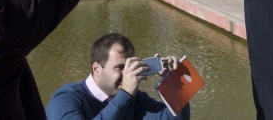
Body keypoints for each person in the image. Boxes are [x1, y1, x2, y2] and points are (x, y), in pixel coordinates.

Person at [45, 33, 190, 119]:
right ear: (96, 69)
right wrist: (125, 94)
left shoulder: (134, 99)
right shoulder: (65, 99)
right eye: (120, 67)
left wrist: (176, 86)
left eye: (130, 66)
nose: (127, 74)